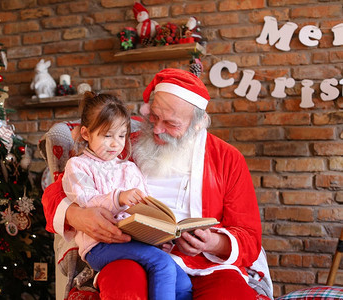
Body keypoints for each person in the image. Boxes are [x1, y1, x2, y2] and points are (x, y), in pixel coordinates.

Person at [42, 69, 273, 300]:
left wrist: (213, 242)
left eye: (171, 124)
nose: (157, 129)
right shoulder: (122, 146)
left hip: (207, 267)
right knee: (123, 289)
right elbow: (55, 193)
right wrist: (76, 215)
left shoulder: (227, 158)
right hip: (132, 254)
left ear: (198, 124)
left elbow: (249, 237)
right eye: (153, 117)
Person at [61, 91, 192, 300]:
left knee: (183, 283)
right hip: (100, 245)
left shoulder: (129, 169)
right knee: (162, 264)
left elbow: (147, 205)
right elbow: (85, 201)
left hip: (133, 240)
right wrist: (118, 197)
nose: (116, 144)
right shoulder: (78, 166)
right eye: (107, 136)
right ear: (86, 134)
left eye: (121, 135)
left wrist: (160, 235)